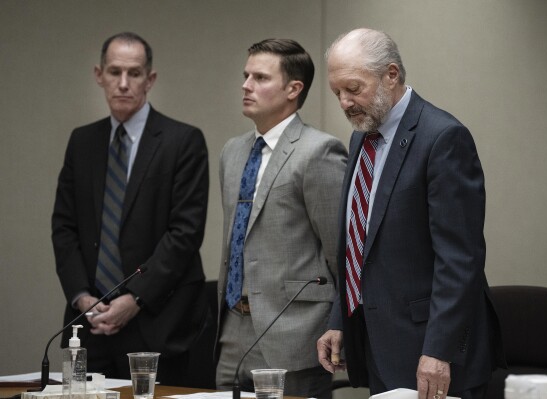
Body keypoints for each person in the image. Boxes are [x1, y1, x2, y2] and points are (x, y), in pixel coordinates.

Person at [317, 28, 504, 399]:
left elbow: (460, 259)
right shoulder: (361, 137)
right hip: (378, 344)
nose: (344, 102)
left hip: (431, 353)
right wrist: (341, 318)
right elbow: (359, 245)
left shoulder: (443, 137)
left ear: (391, 74)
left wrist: (439, 350)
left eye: (353, 88)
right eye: (336, 92)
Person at [51, 32, 210, 386]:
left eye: (134, 73)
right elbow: (64, 227)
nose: (123, 83)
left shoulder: (182, 141)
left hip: (156, 324)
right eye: (114, 72)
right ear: (99, 75)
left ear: (150, 79)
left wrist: (135, 298)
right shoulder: (82, 141)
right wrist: (82, 298)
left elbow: (184, 233)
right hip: (88, 325)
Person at [216, 38, 347, 399]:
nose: (246, 85)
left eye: (259, 77)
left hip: (294, 332)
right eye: (246, 75)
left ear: (293, 89)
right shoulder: (232, 151)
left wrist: (341, 327)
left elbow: (343, 255)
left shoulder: (319, 152)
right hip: (232, 327)